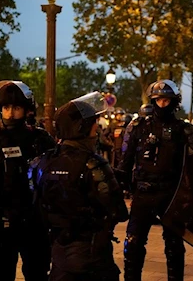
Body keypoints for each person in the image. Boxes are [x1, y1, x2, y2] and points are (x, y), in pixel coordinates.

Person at [31, 92, 129, 280]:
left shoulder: (42, 162)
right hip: (94, 258)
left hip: (59, 256)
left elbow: (35, 208)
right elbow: (119, 212)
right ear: (82, 129)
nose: (96, 133)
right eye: (94, 129)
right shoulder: (94, 164)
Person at [0, 81, 55, 281]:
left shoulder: (41, 139)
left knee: (38, 275)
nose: (11, 113)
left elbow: (54, 182)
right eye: (6, 108)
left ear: (26, 109)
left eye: (16, 107)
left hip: (35, 225)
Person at [117, 79, 193, 281]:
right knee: (133, 243)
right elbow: (125, 163)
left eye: (166, 100)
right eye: (158, 100)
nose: (162, 104)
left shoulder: (185, 130)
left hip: (171, 195)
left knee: (174, 246)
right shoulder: (137, 126)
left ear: (174, 102)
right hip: (143, 194)